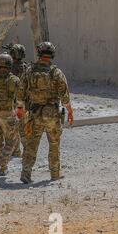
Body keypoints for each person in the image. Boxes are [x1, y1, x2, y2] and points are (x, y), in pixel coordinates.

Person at [18, 41, 74, 183]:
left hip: (34, 114)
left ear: (39, 53)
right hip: (52, 115)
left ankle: (26, 174)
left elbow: (20, 94)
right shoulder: (56, 72)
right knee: (54, 144)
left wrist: (20, 109)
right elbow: (64, 96)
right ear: (52, 54)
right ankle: (55, 174)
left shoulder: (29, 71)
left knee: (31, 144)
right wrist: (70, 111)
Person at [6, 44, 29, 158]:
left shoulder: (8, 68)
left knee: (12, 127)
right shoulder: (26, 67)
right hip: (23, 101)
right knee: (22, 126)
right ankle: (26, 149)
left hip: (12, 101)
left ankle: (16, 150)